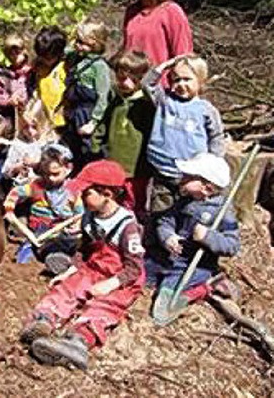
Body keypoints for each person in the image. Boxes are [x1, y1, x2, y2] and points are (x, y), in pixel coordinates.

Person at [20, 160, 145, 371]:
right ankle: (44, 319)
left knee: (105, 305)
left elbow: (134, 267)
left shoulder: (127, 226)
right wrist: (72, 269)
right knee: (67, 289)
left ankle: (78, 341)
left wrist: (112, 283)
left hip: (120, 276)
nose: (80, 197)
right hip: (93, 267)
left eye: (87, 193)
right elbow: (84, 249)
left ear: (107, 194)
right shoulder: (89, 216)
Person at [146, 153, 240, 325]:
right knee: (143, 273)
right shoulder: (185, 202)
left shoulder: (222, 212)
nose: (182, 178)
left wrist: (207, 236)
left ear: (207, 188)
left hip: (196, 265)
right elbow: (166, 220)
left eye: (189, 177)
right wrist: (168, 237)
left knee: (162, 309)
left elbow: (232, 245)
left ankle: (207, 286)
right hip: (171, 257)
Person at [143, 54, 225, 215]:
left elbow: (216, 137)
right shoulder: (165, 100)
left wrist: (213, 164)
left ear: (200, 81)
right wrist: (165, 65)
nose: (181, 84)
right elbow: (147, 84)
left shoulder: (205, 109)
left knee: (188, 213)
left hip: (192, 174)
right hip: (163, 171)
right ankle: (158, 239)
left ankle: (184, 238)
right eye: (176, 80)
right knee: (160, 213)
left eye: (187, 79)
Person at [92, 50, 155, 218]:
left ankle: (134, 231)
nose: (124, 83)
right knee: (112, 198)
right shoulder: (116, 99)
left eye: (131, 79)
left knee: (134, 201)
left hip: (137, 167)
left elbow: (152, 136)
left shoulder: (146, 104)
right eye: (120, 78)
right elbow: (103, 124)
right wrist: (96, 145)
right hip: (113, 161)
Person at [4, 144, 83, 272]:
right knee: (30, 252)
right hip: (39, 231)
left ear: (68, 168)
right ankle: (50, 256)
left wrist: (76, 225)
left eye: (55, 174)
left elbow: (79, 214)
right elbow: (15, 193)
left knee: (67, 242)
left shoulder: (73, 191)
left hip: (62, 232)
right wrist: (9, 211)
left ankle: (59, 258)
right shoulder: (37, 185)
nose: (50, 178)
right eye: (46, 174)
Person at [62, 20, 112, 170]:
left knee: (87, 149)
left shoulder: (99, 66)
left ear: (95, 44)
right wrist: (73, 36)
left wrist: (93, 122)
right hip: (74, 110)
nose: (78, 46)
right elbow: (64, 50)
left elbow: (103, 97)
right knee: (71, 147)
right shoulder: (76, 57)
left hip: (88, 112)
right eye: (77, 41)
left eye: (82, 42)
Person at [2, 99, 57, 185]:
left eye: (34, 127)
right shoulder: (19, 143)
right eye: (26, 126)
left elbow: (55, 168)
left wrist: (37, 163)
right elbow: (5, 172)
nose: (30, 131)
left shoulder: (50, 144)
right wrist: (16, 168)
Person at [0, 34, 34, 122]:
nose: (14, 56)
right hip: (10, 117)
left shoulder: (32, 73)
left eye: (17, 53)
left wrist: (24, 99)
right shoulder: (4, 74)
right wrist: (9, 101)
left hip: (31, 116)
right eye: (11, 54)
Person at [32, 26, 68, 129]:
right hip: (45, 122)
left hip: (64, 123)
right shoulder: (39, 69)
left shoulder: (65, 68)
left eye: (47, 57)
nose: (44, 60)